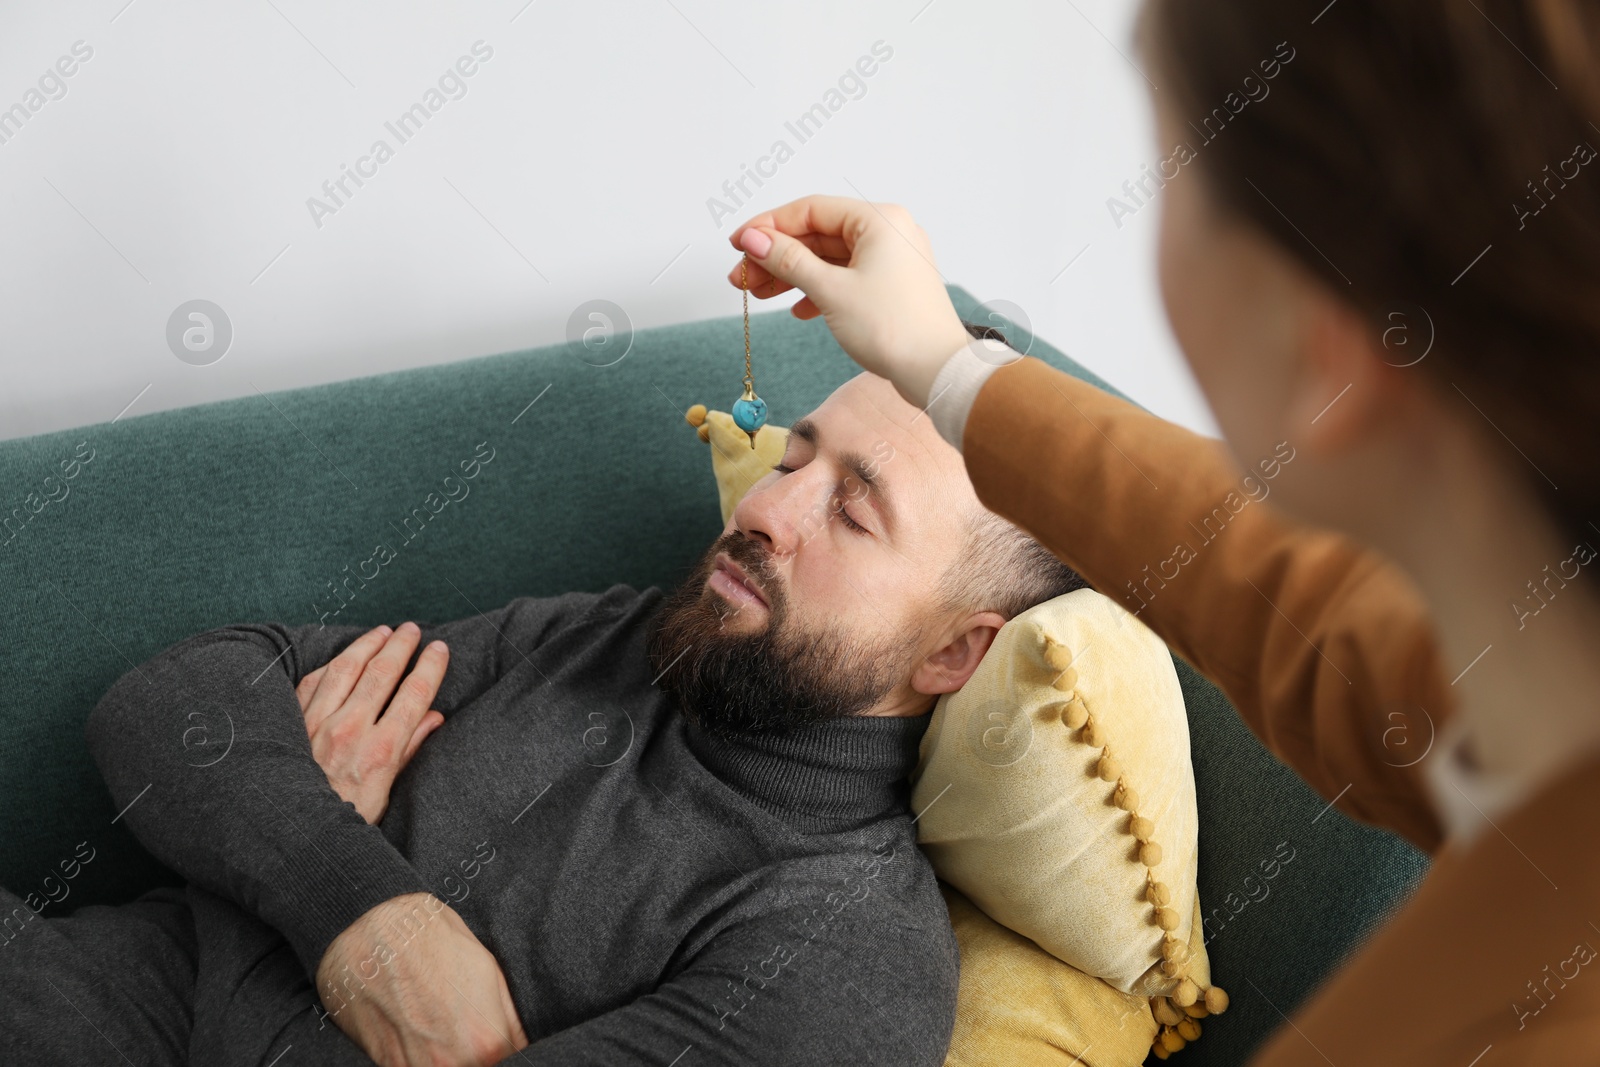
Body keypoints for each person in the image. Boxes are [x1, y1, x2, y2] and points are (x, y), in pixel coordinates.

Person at [723, 4, 1600, 1063]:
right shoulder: (1512, 669)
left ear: (1323, 352)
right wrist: (940, 365)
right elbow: (1284, 598)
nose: (767, 509)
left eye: (1178, 167)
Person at [0, 369, 1089, 1066]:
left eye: (848, 511)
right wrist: (360, 909)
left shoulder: (839, 966)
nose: (762, 506)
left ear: (954, 650)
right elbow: (171, 701)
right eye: (795, 456)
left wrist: (276, 857)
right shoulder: (620, 634)